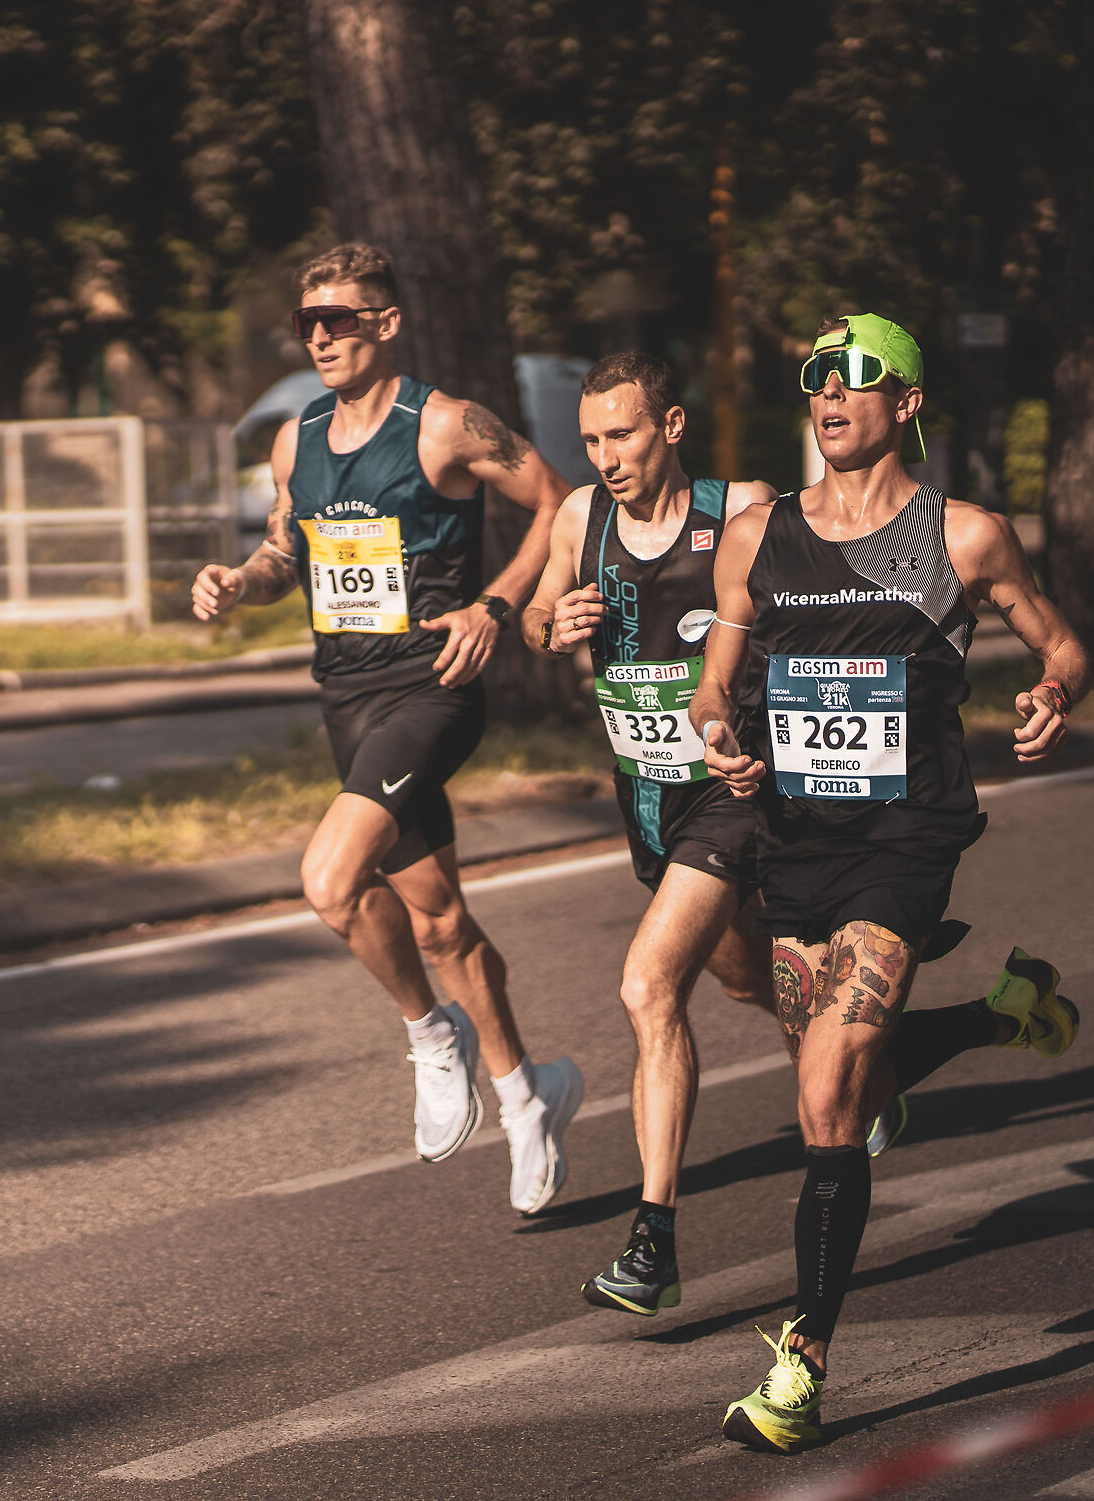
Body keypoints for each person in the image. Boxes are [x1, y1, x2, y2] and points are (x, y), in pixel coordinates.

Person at [688, 313, 1092, 1453]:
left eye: (858, 376)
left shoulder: (963, 537)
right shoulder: (756, 537)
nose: (830, 393)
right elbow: (712, 684)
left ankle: (801, 1366)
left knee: (826, 1097)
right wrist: (717, 729)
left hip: (905, 839)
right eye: (817, 376)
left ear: (907, 401)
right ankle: (1001, 1012)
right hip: (792, 842)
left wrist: (1054, 690)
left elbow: (1065, 645)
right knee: (840, 1070)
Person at [193, 242, 585, 1214]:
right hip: (349, 696)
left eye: (339, 317)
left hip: (432, 688)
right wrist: (242, 582)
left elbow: (553, 501)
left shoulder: (445, 425)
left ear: (385, 323)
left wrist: (496, 606)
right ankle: (531, 1099)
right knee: (442, 920)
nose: (320, 335)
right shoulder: (297, 437)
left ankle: (431, 1036)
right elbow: (289, 546)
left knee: (331, 882)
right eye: (307, 322)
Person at [523, 352, 776, 1311]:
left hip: (733, 787)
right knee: (751, 975)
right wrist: (556, 623)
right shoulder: (581, 518)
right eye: (589, 441)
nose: (604, 458)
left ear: (669, 426)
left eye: (620, 435)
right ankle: (881, 1057)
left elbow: (816, 599)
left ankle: (653, 1240)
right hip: (646, 795)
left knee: (646, 984)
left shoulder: (742, 505)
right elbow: (542, 612)